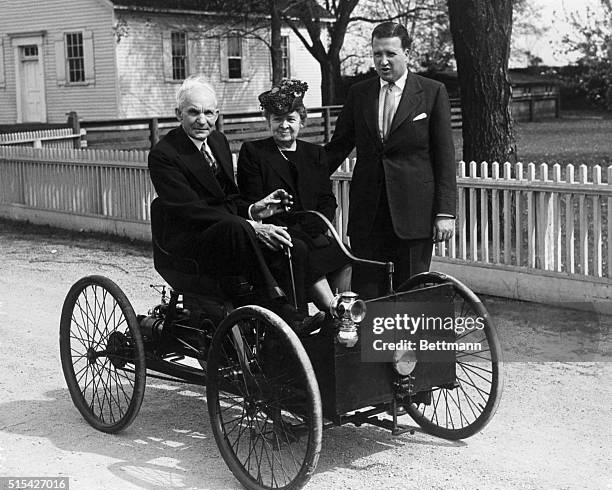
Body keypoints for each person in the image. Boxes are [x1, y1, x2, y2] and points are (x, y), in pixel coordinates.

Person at [148, 75, 324, 333]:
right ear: (178, 114)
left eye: (208, 113)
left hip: (227, 232)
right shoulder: (164, 154)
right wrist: (252, 226)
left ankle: (294, 329)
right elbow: (190, 210)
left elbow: (227, 199)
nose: (202, 120)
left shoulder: (218, 141)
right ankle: (280, 309)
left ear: (217, 114)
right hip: (188, 242)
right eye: (193, 112)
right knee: (238, 228)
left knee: (292, 245)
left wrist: (254, 209)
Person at [325, 22, 457, 299]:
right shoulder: (359, 94)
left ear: (407, 53)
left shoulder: (432, 92)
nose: (383, 62)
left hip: (413, 215)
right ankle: (371, 344)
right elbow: (337, 148)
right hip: (368, 216)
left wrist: (445, 212)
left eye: (390, 54)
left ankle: (412, 344)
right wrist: (298, 171)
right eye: (376, 54)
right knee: (369, 296)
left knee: (411, 296)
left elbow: (445, 157)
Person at [237, 79, 351, 314]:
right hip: (275, 235)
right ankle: (332, 311)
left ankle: (341, 307)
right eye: (278, 119)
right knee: (299, 249)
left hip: (312, 230)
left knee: (344, 252)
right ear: (268, 120)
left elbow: (327, 199)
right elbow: (252, 200)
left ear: (302, 121)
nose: (284, 126)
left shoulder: (315, 154)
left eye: (291, 119)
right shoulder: (254, 153)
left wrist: (319, 224)